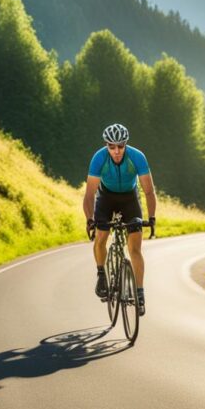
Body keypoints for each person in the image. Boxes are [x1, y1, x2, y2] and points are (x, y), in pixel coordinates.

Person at [82, 123, 156, 316]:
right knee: (101, 236)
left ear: (126, 144)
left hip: (130, 198)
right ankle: (101, 274)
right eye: (111, 146)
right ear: (106, 145)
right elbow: (89, 195)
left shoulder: (137, 157)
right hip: (106, 198)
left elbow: (148, 191)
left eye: (120, 146)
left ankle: (139, 292)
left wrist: (151, 218)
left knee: (135, 248)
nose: (116, 151)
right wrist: (90, 220)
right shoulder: (99, 158)